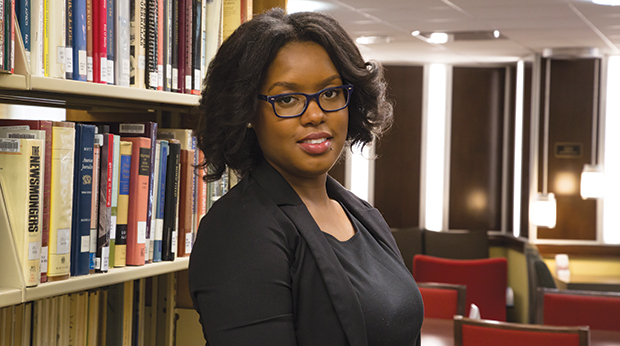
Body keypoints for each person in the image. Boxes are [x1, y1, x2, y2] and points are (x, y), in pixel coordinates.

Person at [189, 8, 424, 346]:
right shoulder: (240, 231)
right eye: (287, 99)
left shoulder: (363, 214)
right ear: (248, 112)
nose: (315, 115)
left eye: (330, 93)